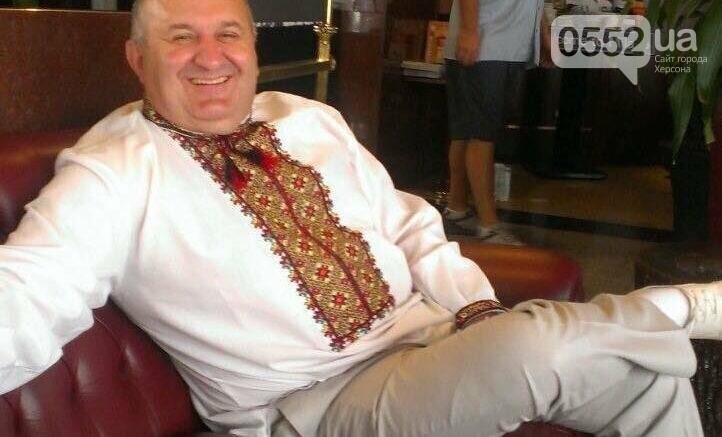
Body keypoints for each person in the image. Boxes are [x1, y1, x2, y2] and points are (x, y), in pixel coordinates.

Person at [0, 0, 717, 436]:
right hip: (317, 404)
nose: (210, 57)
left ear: (254, 48)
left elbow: (407, 222)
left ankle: (645, 325)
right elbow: (31, 291)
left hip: (432, 341)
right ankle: (669, 311)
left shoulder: (306, 117)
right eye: (180, 36)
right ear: (136, 58)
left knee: (649, 381)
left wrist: (474, 309)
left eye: (229, 33)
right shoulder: (113, 170)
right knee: (543, 351)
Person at [442, 0, 551, 244]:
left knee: (466, 131)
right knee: (481, 135)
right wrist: (469, 31)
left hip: (501, 44)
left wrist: (541, 34)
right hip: (486, 43)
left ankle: (457, 210)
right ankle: (489, 225)